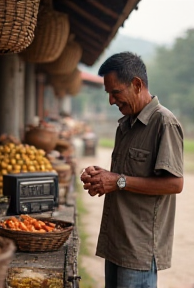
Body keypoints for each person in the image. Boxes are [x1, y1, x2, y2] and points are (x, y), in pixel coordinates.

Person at [80, 52, 184, 288]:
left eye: (115, 93)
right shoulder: (125, 124)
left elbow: (174, 184)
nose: (111, 101)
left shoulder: (164, 123)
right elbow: (123, 177)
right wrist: (102, 177)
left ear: (137, 84)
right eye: (108, 94)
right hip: (116, 242)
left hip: (139, 250)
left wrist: (117, 181)